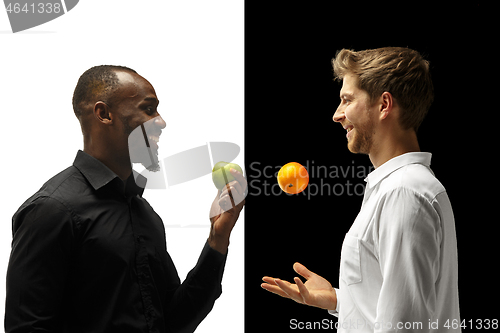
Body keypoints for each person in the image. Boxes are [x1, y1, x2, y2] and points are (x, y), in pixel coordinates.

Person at [5, 65, 246, 333]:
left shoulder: (144, 213)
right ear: (104, 114)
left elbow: (173, 322)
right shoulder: (50, 210)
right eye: (149, 108)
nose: (162, 121)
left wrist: (217, 238)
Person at [261, 47, 460, 332]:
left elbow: (402, 327)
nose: (337, 115)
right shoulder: (402, 187)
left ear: (384, 105)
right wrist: (341, 301)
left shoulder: (404, 193)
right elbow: (402, 308)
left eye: (347, 100)